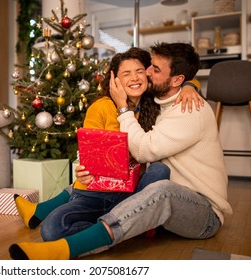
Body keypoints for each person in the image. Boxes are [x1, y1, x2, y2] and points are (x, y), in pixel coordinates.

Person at [11, 45, 207, 257]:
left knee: (159, 170)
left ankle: (120, 224)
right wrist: (81, 168)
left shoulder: (154, 102)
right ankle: (121, 226)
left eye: (140, 71)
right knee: (51, 230)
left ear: (148, 75)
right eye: (126, 74)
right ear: (115, 81)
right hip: (99, 192)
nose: (135, 78)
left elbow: (178, 81)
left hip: (133, 192)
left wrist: (190, 86)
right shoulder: (102, 106)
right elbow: (87, 149)